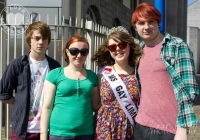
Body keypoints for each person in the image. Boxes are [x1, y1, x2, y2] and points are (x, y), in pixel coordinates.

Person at [131, 2, 200, 140]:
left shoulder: (176, 46)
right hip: (140, 126)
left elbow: (188, 90)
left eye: (151, 22)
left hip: (168, 130)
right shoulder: (138, 50)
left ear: (158, 23)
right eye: (141, 23)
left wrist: (182, 130)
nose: (146, 27)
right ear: (135, 26)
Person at [0, 21, 61, 140]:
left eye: (44, 38)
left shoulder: (55, 66)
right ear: (29, 40)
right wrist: (20, 102)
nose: (40, 42)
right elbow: (3, 94)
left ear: (48, 41)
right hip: (22, 129)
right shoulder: (18, 65)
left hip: (48, 129)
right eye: (37, 38)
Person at [40, 35, 100, 140]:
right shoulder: (55, 74)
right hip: (59, 134)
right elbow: (47, 107)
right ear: (67, 52)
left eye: (84, 51)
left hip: (86, 134)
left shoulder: (92, 77)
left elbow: (95, 106)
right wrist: (43, 135)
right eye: (74, 51)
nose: (79, 55)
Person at [92, 26, 142, 140]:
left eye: (122, 45)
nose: (118, 49)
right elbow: (95, 105)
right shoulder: (103, 74)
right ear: (108, 50)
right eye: (112, 47)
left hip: (130, 127)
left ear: (130, 46)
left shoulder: (138, 73)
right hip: (105, 127)